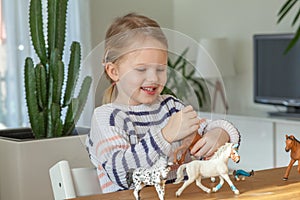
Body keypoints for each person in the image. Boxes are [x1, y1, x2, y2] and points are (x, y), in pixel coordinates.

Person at [86, 13, 240, 194]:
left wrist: (220, 133)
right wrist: (164, 136)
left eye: (160, 69)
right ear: (113, 71)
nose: (153, 78)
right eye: (141, 69)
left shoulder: (171, 107)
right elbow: (121, 174)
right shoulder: (106, 118)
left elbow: (209, 129)